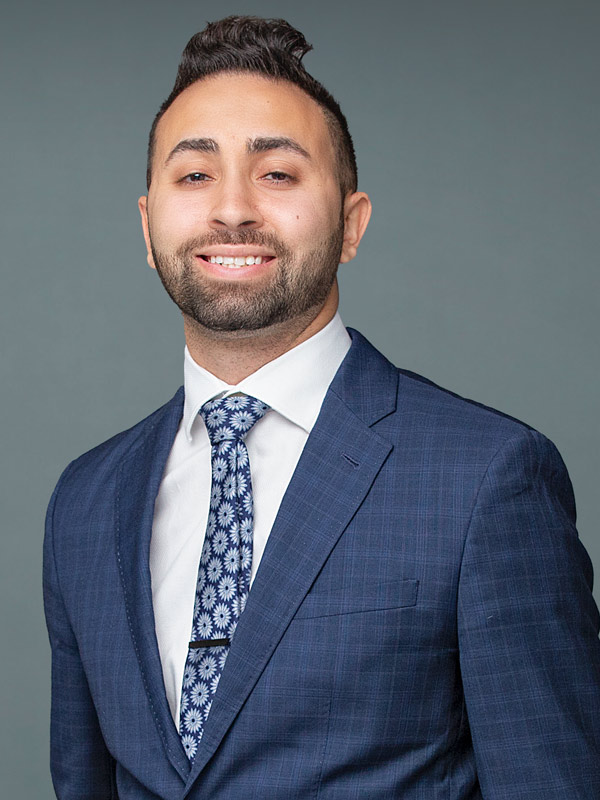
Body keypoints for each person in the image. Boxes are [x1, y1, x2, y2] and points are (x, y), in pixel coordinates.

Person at [43, 15, 600, 800]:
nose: (232, 209)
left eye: (277, 173)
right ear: (147, 224)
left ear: (351, 224)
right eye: (194, 175)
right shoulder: (84, 501)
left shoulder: (487, 478)